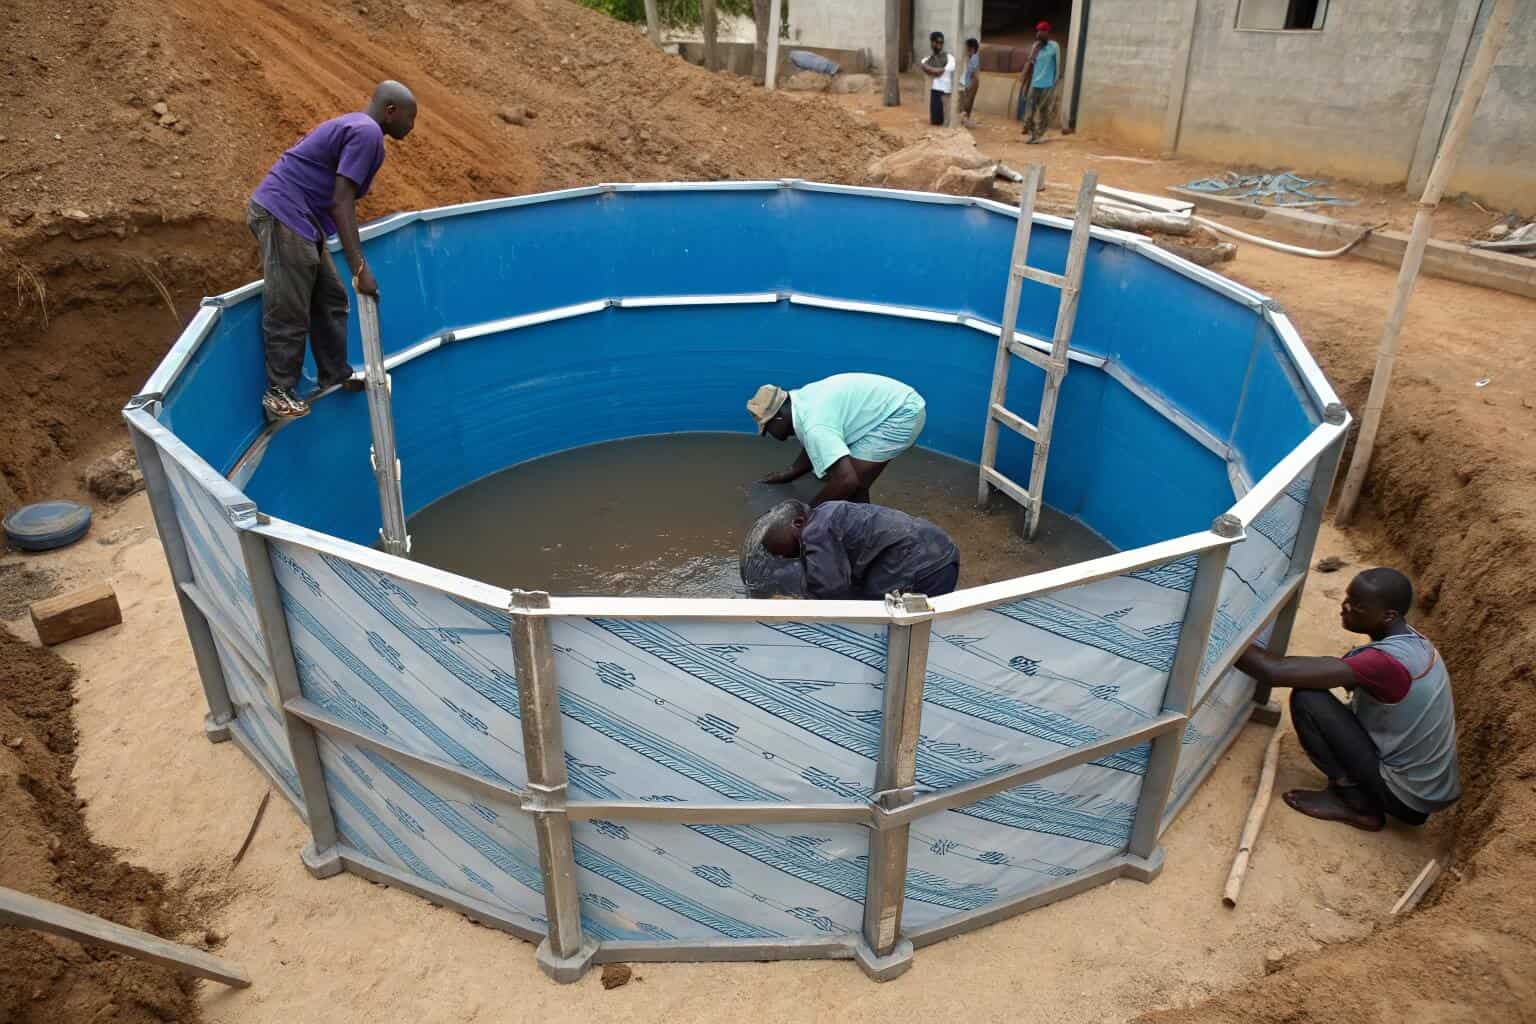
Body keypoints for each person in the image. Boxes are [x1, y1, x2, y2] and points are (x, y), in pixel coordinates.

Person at [1236, 568, 1461, 833]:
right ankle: (1364, 794)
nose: (1345, 607)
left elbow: (1274, 672)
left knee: (1308, 698)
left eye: (1358, 606)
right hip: (1425, 791)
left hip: (1406, 796)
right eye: (1347, 598)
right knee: (1320, 692)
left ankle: (1356, 804)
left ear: (1388, 615)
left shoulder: (1384, 662)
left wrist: (1212, 631)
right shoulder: (1414, 643)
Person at [248, 81, 419, 419]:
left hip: (302, 221)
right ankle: (278, 393)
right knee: (290, 304)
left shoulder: (363, 130)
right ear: (391, 111)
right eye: (410, 118)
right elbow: (341, 202)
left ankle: (333, 373)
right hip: (283, 212)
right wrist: (359, 268)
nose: (412, 127)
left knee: (331, 298)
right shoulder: (367, 132)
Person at [747, 373, 926, 506]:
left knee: (852, 485)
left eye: (767, 428)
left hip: (901, 413)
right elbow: (814, 444)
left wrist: (807, 515)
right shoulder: (801, 401)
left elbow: (848, 481)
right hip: (890, 404)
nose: (769, 435)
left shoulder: (814, 425)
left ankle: (864, 534)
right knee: (838, 479)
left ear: (778, 417)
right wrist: (789, 473)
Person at [746, 499, 960, 600]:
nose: (783, 555)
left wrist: (796, 602)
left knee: (875, 617)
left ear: (799, 522)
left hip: (924, 564)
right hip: (939, 551)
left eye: (781, 549)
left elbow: (831, 590)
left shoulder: (815, 530)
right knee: (924, 626)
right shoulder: (828, 513)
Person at [1019, 21, 1060, 144]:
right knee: (1030, 109)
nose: (1039, 34)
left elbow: (1058, 65)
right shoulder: (1035, 46)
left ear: (1047, 32)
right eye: (1038, 31)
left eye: (1042, 31)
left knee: (1044, 111)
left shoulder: (1054, 47)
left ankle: (1039, 134)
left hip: (1047, 85)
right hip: (1035, 83)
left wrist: (1055, 82)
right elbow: (1030, 63)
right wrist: (1024, 78)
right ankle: (1031, 132)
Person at [918, 31, 955, 127]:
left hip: (945, 92)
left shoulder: (949, 57)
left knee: (945, 122)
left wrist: (931, 69)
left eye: (941, 43)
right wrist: (934, 70)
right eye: (937, 42)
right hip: (935, 91)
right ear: (932, 43)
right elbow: (926, 67)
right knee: (935, 122)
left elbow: (939, 72)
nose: (939, 45)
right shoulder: (926, 59)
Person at [959, 38, 982, 128]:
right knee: (966, 104)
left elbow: (973, 74)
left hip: (971, 84)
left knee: (967, 104)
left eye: (966, 48)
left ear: (971, 49)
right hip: (969, 84)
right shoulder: (971, 58)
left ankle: (965, 122)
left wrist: (970, 87)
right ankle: (965, 121)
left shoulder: (974, 58)